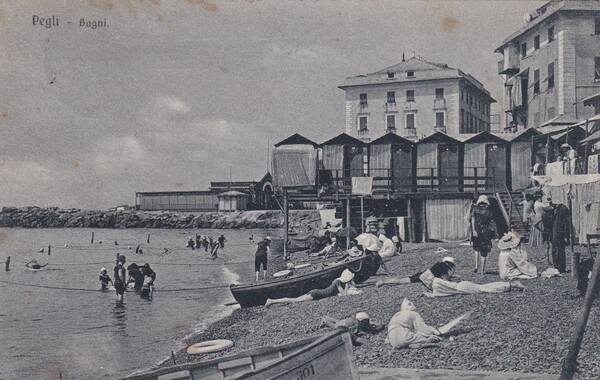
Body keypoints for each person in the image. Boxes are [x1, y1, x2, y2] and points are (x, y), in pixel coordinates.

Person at [387, 298, 471, 349]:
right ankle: (419, 343)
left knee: (410, 336)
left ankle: (411, 344)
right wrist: (434, 331)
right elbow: (424, 330)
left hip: (393, 341)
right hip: (405, 337)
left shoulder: (396, 315)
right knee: (431, 337)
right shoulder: (413, 314)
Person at [265, 269, 355, 306]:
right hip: (316, 294)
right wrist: (347, 284)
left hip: (317, 294)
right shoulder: (338, 282)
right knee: (295, 300)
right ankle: (272, 301)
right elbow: (344, 295)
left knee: (295, 300)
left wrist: (349, 283)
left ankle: (272, 301)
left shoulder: (338, 281)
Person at [376, 257, 457, 289]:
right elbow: (445, 280)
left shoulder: (440, 264)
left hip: (424, 274)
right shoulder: (444, 267)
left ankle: (385, 281)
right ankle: (383, 281)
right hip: (424, 277)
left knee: (403, 279)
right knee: (402, 281)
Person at [319, 311, 385, 346]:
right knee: (335, 325)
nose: (368, 323)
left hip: (347, 321)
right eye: (366, 321)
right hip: (343, 325)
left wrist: (380, 325)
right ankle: (325, 320)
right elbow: (357, 338)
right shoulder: (354, 326)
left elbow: (372, 328)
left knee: (338, 321)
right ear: (361, 321)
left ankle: (326, 317)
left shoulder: (361, 323)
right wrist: (370, 344)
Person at [423, 277, 524, 297]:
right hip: (462, 284)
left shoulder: (435, 287)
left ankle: (512, 285)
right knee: (485, 287)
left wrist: (426, 294)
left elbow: (434, 294)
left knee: (486, 289)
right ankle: (511, 284)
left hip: (462, 289)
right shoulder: (437, 280)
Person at [470, 195, 495, 275]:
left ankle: (476, 266)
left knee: (476, 249)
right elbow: (491, 221)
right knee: (483, 251)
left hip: (476, 230)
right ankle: (482, 271)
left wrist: (473, 230)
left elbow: (472, 220)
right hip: (485, 231)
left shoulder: (475, 209)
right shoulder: (489, 210)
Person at [550, 203, 571, 273]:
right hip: (554, 233)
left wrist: (566, 235)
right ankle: (556, 266)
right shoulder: (553, 209)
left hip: (559, 233)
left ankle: (560, 267)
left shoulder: (563, 209)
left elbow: (566, 223)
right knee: (554, 250)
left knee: (560, 251)